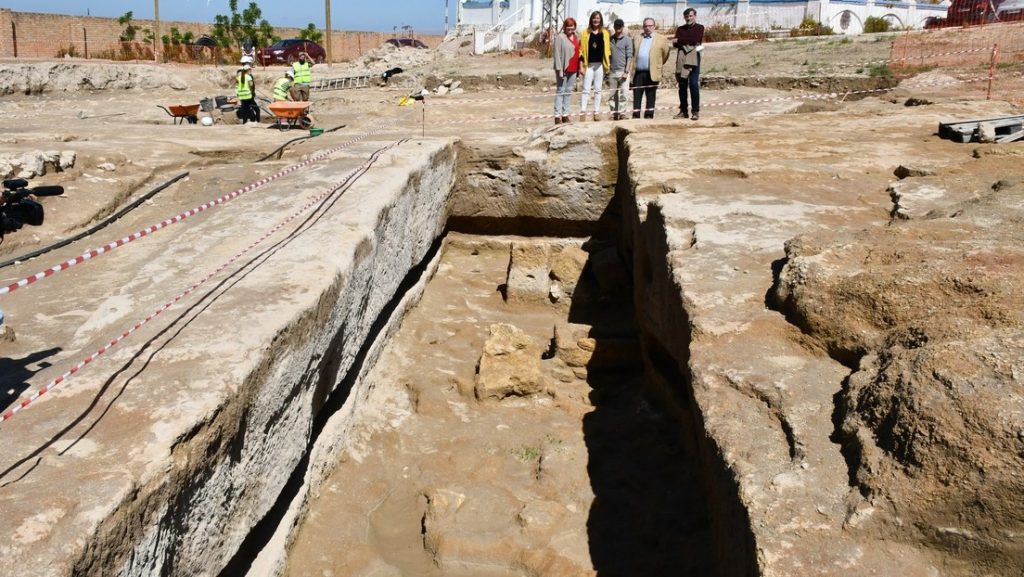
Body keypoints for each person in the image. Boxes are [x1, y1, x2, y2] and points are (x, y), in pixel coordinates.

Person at [629, 17, 671, 119]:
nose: (647, 28)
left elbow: (665, 55)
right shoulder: (637, 38)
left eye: (650, 26)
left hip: (652, 72)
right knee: (637, 95)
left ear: (654, 26)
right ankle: (636, 116)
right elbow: (633, 53)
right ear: (643, 27)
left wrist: (657, 65)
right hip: (638, 72)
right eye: (645, 26)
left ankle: (648, 116)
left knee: (651, 96)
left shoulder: (661, 39)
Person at [673, 8, 705, 120]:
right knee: (682, 86)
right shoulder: (680, 29)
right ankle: (683, 111)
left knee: (693, 85)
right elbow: (675, 44)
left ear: (695, 16)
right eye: (686, 16)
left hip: (694, 60)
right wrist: (685, 41)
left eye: (691, 16)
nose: (689, 18)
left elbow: (696, 39)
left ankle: (695, 111)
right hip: (681, 60)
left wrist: (681, 40)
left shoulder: (700, 28)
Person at [579, 11, 611, 121]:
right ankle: (583, 111)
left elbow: (607, 50)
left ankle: (596, 112)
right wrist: (581, 66)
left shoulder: (605, 33)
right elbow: (581, 51)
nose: (596, 20)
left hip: (600, 65)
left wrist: (608, 64)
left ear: (600, 20)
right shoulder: (585, 33)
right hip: (589, 65)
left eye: (598, 18)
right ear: (591, 20)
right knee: (586, 89)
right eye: (594, 18)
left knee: (598, 89)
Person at [552, 17, 580, 125]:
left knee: (568, 92)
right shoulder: (560, 37)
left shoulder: (576, 37)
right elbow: (557, 54)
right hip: (563, 68)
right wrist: (559, 69)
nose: (570, 29)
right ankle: (557, 116)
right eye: (568, 27)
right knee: (560, 91)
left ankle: (565, 114)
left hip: (573, 67)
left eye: (572, 27)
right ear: (565, 27)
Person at [608, 19, 633, 121]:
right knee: (612, 95)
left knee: (624, 94)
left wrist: (626, 71)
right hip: (613, 72)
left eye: (620, 26)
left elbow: (629, 56)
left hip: (623, 71)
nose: (618, 28)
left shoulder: (627, 40)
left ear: (623, 27)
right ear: (614, 27)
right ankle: (614, 113)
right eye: (616, 26)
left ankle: (622, 114)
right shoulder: (610, 39)